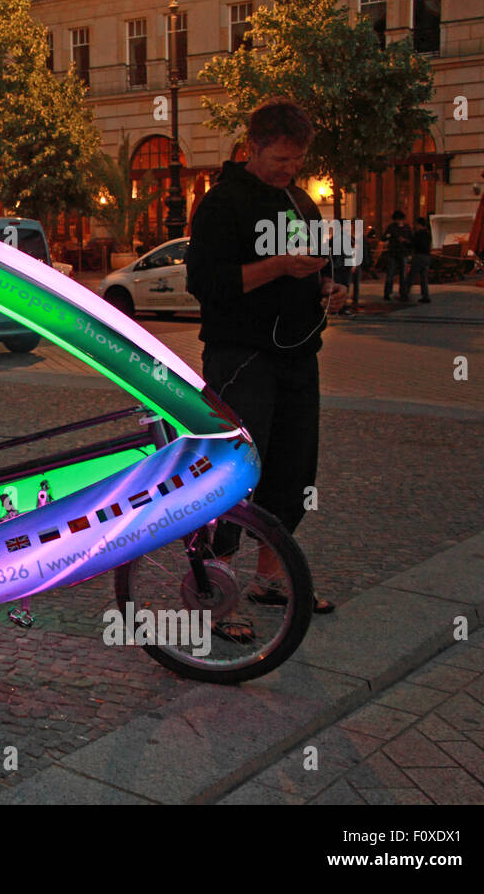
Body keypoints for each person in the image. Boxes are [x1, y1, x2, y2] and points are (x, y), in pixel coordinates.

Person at [186, 98, 347, 618]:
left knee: (293, 470)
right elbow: (206, 284)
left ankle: (269, 580)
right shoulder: (221, 203)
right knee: (238, 472)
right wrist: (275, 265)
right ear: (252, 148)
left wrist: (329, 285)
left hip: (300, 356)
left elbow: (320, 263)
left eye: (298, 160)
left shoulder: (301, 201)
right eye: (281, 159)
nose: (292, 169)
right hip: (242, 358)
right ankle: (217, 590)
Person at [381, 210, 412, 301]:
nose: (398, 221)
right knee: (391, 274)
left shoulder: (406, 228)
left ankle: (402, 293)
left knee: (402, 275)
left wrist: (405, 241)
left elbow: (411, 240)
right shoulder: (392, 228)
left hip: (402, 252)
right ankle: (388, 293)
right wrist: (389, 237)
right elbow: (384, 237)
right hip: (394, 253)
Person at [403, 215, 432, 303]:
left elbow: (414, 244)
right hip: (427, 256)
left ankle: (405, 294)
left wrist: (405, 241)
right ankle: (425, 295)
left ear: (419, 224)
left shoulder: (419, 234)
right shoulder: (428, 234)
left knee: (412, 275)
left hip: (419, 256)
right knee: (423, 277)